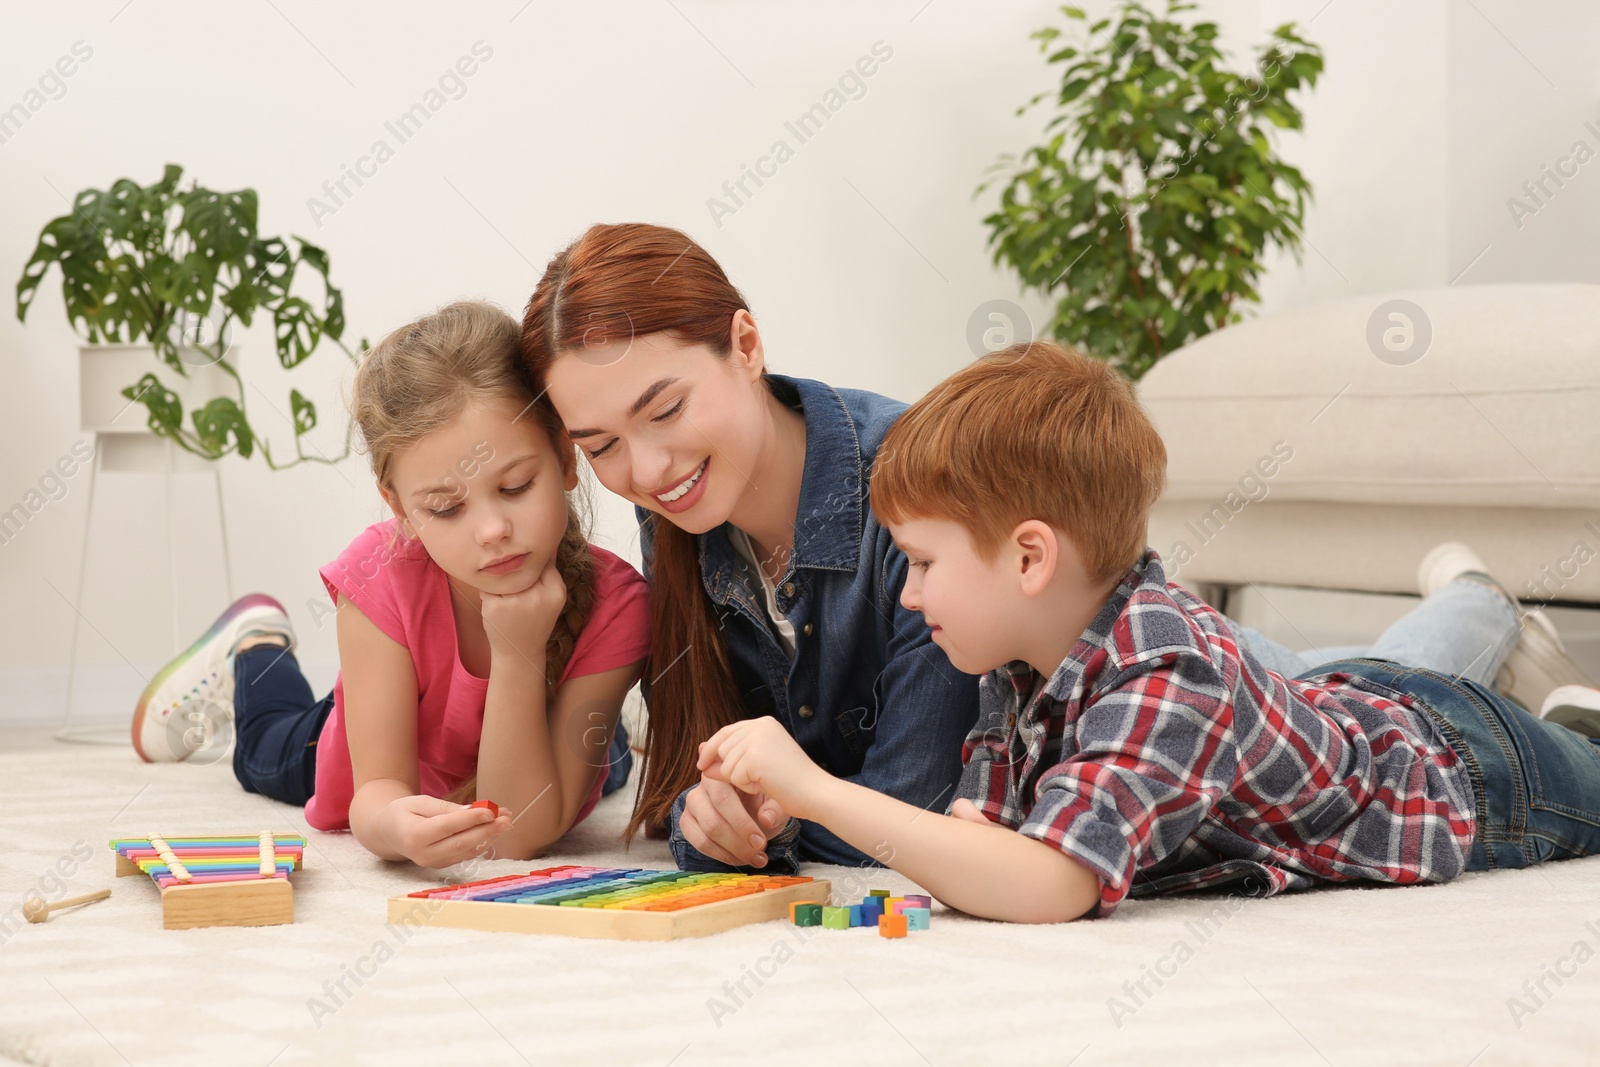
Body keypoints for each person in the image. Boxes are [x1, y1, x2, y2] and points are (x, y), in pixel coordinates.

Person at [695, 340, 1600, 921]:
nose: (907, 595)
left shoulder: (1169, 667)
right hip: (1347, 699)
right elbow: (994, 834)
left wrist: (813, 789)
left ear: (1029, 559)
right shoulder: (1010, 663)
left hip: (1467, 772)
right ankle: (1517, 644)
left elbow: (1051, 880)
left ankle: (1557, 702)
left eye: (925, 564)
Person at [522, 223, 980, 872]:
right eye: (601, 446)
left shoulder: (916, 485)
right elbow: (698, 769)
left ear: (745, 345)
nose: (648, 471)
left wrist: (774, 823)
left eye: (666, 410)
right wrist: (705, 817)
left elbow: (916, 807)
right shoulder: (675, 514)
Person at [131, 301, 651, 868]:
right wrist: (388, 824)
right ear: (398, 506)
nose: (493, 530)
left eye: (517, 486)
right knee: (262, 750)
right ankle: (256, 645)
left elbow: (518, 833)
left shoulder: (618, 604)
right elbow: (376, 794)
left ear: (564, 456)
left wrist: (519, 652)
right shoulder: (380, 575)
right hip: (365, 738)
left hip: (532, 737)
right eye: (446, 508)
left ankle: (607, 729)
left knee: (605, 761)